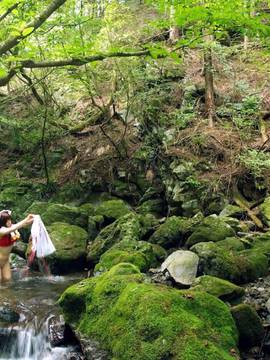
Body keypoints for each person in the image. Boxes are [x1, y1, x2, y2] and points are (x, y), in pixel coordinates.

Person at [0, 211, 34, 282]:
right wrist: (26, 218)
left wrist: (34, 219)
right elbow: (15, 227)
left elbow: (23, 224)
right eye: (6, 221)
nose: (9, 222)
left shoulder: (11, 227)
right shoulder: (1, 231)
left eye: (9, 220)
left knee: (7, 280)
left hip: (5, 261)